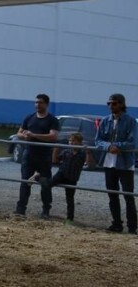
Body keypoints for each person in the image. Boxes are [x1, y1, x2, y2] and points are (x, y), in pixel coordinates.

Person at [94, 93, 137, 233]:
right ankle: (116, 224)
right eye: (109, 103)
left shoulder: (131, 121)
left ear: (121, 104)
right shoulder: (105, 121)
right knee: (112, 195)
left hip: (125, 164)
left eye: (113, 103)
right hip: (108, 163)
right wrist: (108, 147)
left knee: (128, 196)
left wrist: (117, 146)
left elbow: (133, 142)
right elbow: (97, 140)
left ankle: (132, 227)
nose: (110, 106)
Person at [13, 94, 59, 217]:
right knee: (25, 182)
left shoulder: (52, 120)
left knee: (45, 183)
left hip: (44, 155)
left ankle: (46, 210)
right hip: (29, 154)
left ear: (46, 104)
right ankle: (21, 208)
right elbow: (19, 133)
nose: (37, 105)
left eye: (40, 102)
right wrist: (25, 136)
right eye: (36, 102)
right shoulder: (29, 118)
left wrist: (34, 135)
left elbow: (53, 136)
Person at [38, 132, 86, 223]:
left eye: (74, 141)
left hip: (72, 177)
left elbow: (89, 164)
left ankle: (70, 218)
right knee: (47, 185)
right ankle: (46, 207)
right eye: (70, 141)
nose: (71, 143)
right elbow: (55, 161)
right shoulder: (66, 151)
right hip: (61, 174)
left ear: (80, 142)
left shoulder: (82, 153)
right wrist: (56, 149)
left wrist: (89, 153)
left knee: (70, 198)